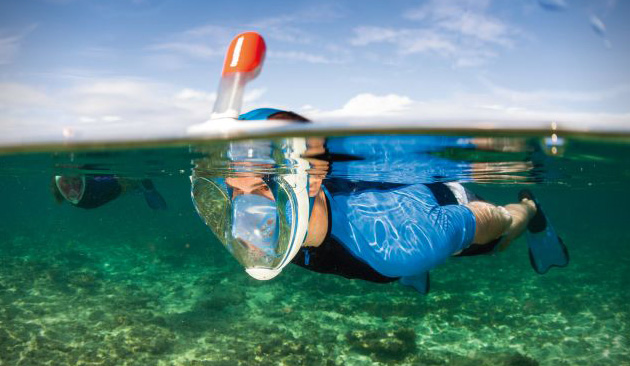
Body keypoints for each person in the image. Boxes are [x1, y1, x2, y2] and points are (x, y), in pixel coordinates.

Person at [191, 108, 569, 293]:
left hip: (442, 209)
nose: (245, 214)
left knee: (498, 238)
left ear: (312, 177)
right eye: (236, 191)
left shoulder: (406, 244)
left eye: (259, 188)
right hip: (392, 235)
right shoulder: (276, 231)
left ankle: (532, 208)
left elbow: (485, 219)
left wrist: (506, 216)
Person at [52, 173, 167, 210]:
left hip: (91, 195)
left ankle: (140, 187)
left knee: (121, 185)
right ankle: (141, 186)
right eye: (67, 182)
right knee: (121, 184)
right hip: (91, 195)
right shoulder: (97, 188)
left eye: (74, 181)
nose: (72, 187)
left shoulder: (95, 187)